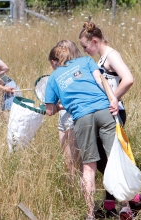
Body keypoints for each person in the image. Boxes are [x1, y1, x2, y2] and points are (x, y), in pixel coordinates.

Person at [45, 45, 124, 220]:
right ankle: (125, 207)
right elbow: (100, 81)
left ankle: (90, 215)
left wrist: (61, 105)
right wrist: (113, 100)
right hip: (104, 110)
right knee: (114, 159)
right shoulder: (86, 60)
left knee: (89, 167)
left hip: (82, 118)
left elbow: (49, 111)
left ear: (54, 61)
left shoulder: (53, 78)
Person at [79, 21, 141, 219]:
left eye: (85, 47)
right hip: (106, 112)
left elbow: (128, 78)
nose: (85, 51)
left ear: (94, 41)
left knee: (113, 158)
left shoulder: (111, 55)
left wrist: (114, 98)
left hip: (114, 112)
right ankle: (112, 204)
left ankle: (128, 202)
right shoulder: (101, 58)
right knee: (107, 160)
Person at [55, 40, 83, 176]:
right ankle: (72, 191)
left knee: (77, 158)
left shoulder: (78, 71)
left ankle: (83, 192)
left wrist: (59, 106)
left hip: (74, 116)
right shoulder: (60, 71)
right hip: (62, 117)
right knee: (67, 160)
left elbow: (79, 93)